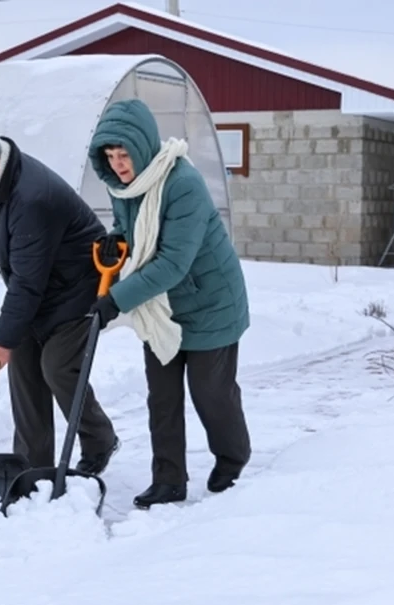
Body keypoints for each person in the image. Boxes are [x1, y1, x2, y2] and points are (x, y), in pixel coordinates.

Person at [85, 99, 252, 509]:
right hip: (161, 308)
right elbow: (132, 228)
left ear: (143, 147)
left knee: (209, 392)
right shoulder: (126, 186)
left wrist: (114, 302)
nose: (119, 164)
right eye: (110, 156)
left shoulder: (183, 185)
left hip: (211, 302)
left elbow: (172, 263)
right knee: (162, 396)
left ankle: (232, 458)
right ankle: (169, 479)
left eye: (124, 154)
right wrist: (116, 239)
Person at [0, 118, 120, 474]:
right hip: (41, 286)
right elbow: (8, 258)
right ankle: (31, 465)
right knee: (24, 370)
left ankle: (99, 438)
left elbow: (27, 280)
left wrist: (4, 339)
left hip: (80, 288)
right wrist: (15, 335)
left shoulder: (32, 196)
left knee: (57, 367)